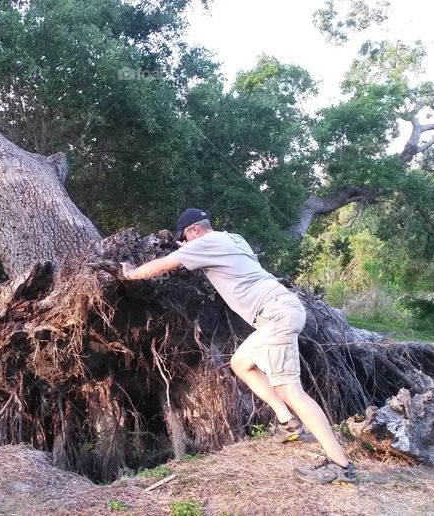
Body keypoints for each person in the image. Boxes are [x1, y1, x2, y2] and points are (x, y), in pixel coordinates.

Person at [119, 208, 358, 485]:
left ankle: (340, 464)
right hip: (281, 309)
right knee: (241, 363)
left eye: (185, 237)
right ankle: (286, 422)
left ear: (194, 230)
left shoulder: (206, 243)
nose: (185, 243)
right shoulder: (233, 239)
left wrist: (132, 273)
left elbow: (164, 264)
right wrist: (193, 248)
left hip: (275, 314)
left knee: (291, 390)